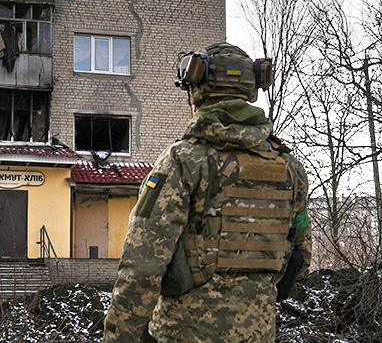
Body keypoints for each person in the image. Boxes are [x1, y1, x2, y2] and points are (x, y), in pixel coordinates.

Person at [103, 42, 310, 343]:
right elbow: (300, 257)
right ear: (250, 92)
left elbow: (142, 264)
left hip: (184, 333)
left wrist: (119, 337)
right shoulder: (290, 168)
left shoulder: (183, 161)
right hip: (259, 332)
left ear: (198, 93)